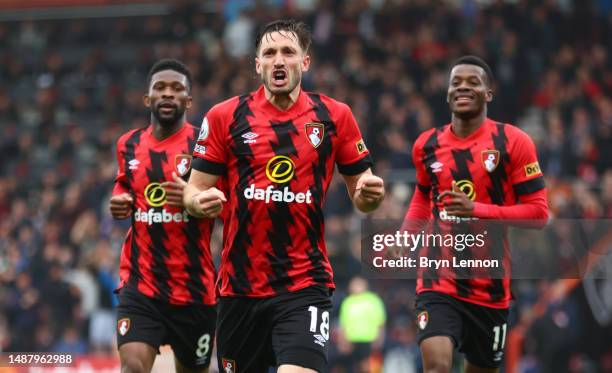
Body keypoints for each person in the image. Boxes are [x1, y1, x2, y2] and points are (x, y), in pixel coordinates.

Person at [184, 19, 385, 373]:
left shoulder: (334, 116)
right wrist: (196, 202)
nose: (279, 60)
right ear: (257, 64)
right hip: (240, 288)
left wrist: (371, 194)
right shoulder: (224, 117)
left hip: (304, 283)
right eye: (270, 53)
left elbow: (362, 193)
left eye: (288, 52)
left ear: (304, 62)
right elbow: (195, 189)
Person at [403, 55, 549, 373]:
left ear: (488, 94)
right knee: (437, 365)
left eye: (473, 82)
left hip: (490, 287)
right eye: (456, 82)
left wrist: (478, 211)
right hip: (437, 280)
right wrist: (407, 234)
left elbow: (539, 214)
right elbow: (422, 195)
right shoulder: (425, 145)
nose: (463, 87)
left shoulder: (514, 142)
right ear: (447, 93)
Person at [109, 59, 217, 373]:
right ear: (148, 98)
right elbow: (123, 183)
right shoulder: (127, 144)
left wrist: (194, 200)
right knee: (133, 368)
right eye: (160, 88)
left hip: (194, 292)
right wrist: (120, 200)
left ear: (188, 100)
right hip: (141, 287)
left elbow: (223, 203)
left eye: (176, 89)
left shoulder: (205, 146)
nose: (167, 94)